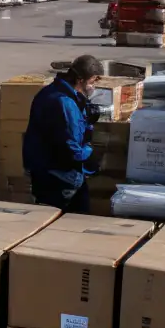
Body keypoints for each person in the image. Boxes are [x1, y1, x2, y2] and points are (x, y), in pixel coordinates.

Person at [22, 54, 104, 214]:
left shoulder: (50, 92)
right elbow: (71, 147)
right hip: (60, 177)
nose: (94, 87)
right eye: (93, 81)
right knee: (71, 221)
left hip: (46, 172)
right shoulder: (65, 103)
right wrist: (90, 155)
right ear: (80, 79)